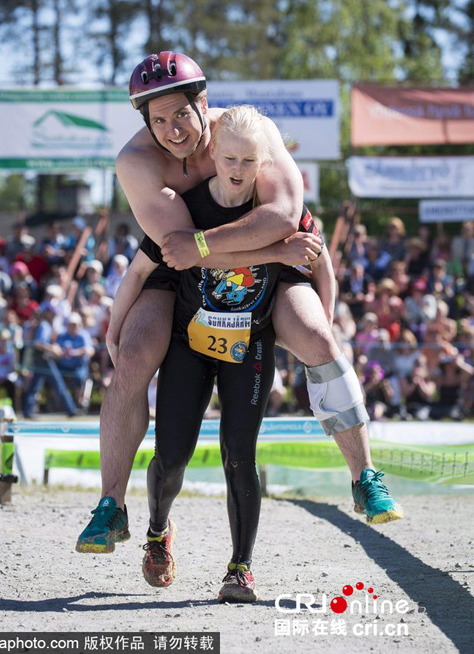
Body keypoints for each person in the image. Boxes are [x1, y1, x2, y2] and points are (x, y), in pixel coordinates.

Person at [75, 52, 402, 561]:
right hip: (188, 269)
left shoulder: (249, 130)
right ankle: (111, 503)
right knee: (133, 357)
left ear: (203, 103)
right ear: (144, 121)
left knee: (319, 338)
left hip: (266, 258)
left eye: (181, 115)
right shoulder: (136, 161)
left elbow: (286, 216)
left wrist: (257, 253)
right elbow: (177, 253)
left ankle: (365, 475)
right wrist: (259, 247)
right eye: (158, 120)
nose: (172, 131)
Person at [99, 105, 322, 601]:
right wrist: (115, 329)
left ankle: (240, 568)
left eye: (249, 161)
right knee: (172, 456)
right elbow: (140, 268)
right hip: (190, 345)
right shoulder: (185, 208)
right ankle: (158, 531)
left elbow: (317, 255)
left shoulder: (277, 209)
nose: (238, 169)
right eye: (229, 159)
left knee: (240, 455)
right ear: (213, 153)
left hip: (250, 345)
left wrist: (324, 318)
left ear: (264, 161)